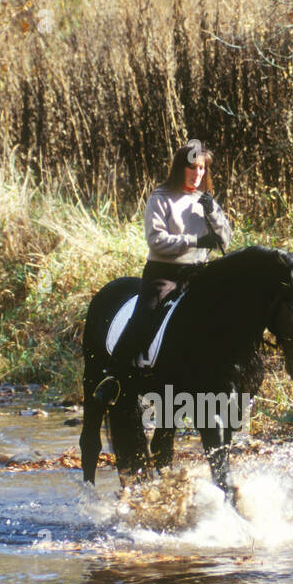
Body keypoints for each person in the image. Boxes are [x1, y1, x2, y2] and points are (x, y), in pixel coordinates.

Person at [93, 141, 232, 403]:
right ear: (181, 168)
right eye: (192, 168)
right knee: (146, 317)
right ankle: (114, 376)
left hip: (199, 273)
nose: (198, 174)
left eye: (201, 168)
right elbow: (156, 240)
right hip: (164, 274)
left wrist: (214, 214)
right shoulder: (160, 197)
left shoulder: (206, 201)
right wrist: (194, 240)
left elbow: (225, 241)